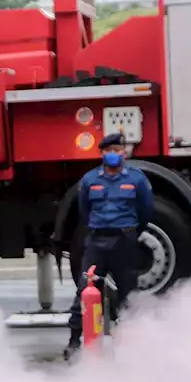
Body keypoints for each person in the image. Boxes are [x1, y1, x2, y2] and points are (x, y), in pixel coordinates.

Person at [64, 133, 153, 359]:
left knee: (128, 293)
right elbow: (84, 211)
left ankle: (131, 344)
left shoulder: (137, 179)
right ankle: (74, 341)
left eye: (117, 149)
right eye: (108, 150)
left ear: (124, 152)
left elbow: (145, 211)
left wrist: (131, 233)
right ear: (101, 153)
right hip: (96, 243)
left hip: (124, 241)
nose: (113, 154)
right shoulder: (90, 180)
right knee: (85, 289)